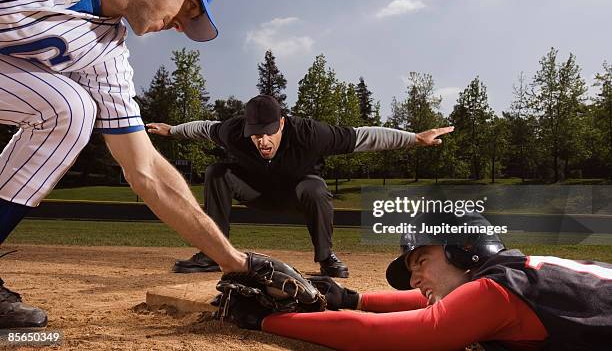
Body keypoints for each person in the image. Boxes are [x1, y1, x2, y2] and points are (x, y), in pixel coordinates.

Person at [0, 0, 314, 330]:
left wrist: (236, 261)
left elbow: (145, 168)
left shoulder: (104, 53)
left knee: (69, 110)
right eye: (190, 7)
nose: (181, 24)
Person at [146, 94, 454, 277]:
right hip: (256, 192)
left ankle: (325, 258)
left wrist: (414, 138)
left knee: (316, 188)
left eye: (268, 133)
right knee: (217, 172)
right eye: (256, 134)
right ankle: (213, 253)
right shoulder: (234, 132)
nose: (262, 141)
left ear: (281, 123)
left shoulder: (310, 133)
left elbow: (364, 137)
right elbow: (203, 129)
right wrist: (172, 130)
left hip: (298, 193)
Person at [219, 211, 612, 350]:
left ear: (462, 249)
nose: (415, 279)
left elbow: (374, 336)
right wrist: (350, 298)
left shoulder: (495, 293)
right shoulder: (513, 274)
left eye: (421, 260)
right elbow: (430, 307)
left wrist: (263, 320)